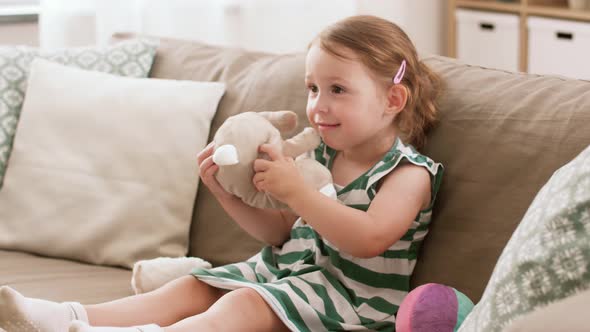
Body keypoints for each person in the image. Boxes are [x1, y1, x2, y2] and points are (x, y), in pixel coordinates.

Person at [0, 15, 443, 332]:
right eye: (312, 88)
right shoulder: (322, 156)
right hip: (284, 273)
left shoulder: (407, 173)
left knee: (243, 304)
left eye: (338, 90)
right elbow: (282, 235)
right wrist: (229, 196)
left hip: (349, 300)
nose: (317, 105)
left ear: (393, 100)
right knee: (193, 286)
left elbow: (369, 238)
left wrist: (298, 193)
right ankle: (64, 317)